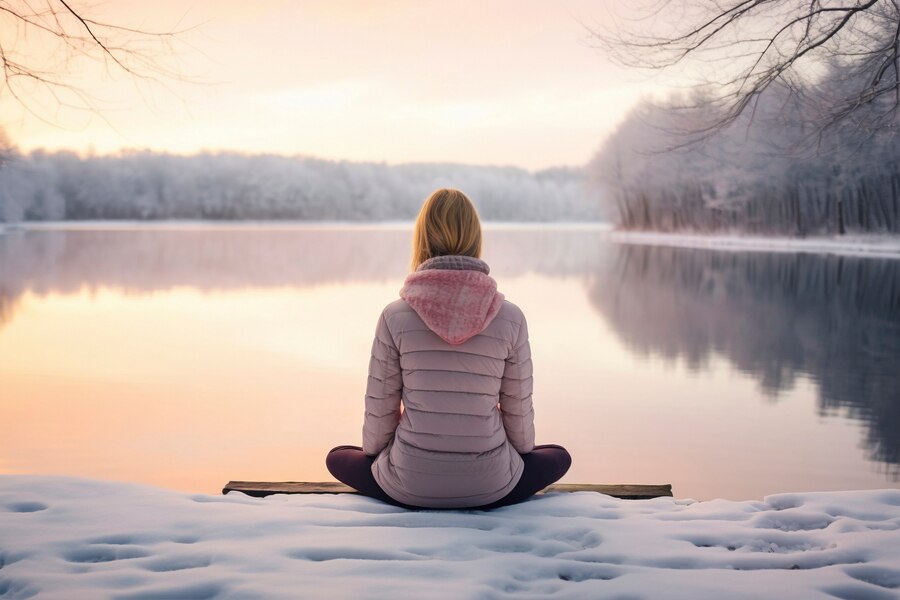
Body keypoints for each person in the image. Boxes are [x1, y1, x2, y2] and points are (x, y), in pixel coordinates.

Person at [326, 188, 570, 509]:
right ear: (475, 238)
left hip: (409, 481)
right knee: (557, 457)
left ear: (422, 238)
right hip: (492, 483)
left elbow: (380, 409)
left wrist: (375, 457)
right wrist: (520, 456)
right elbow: (518, 410)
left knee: (338, 458)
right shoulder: (510, 316)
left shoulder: (394, 315)